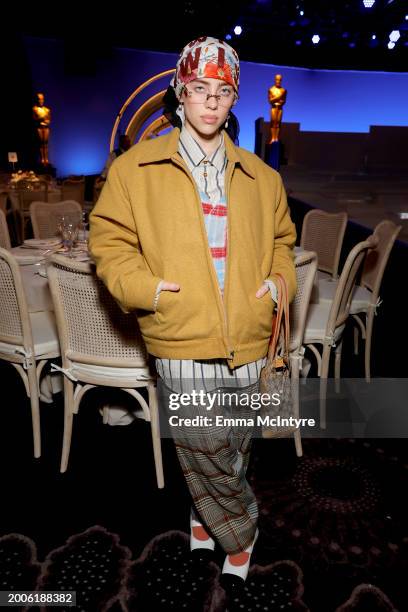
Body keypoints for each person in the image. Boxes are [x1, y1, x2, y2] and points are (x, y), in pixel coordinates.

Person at [89, 36, 296, 595]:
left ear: (232, 101)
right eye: (199, 89)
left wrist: (280, 283)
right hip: (179, 328)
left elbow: (283, 241)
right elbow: (108, 243)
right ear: (181, 95)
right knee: (200, 438)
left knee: (234, 439)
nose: (210, 102)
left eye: (222, 92)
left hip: (250, 330)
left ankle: (207, 516)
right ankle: (242, 531)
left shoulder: (262, 176)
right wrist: (147, 289)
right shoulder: (135, 168)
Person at [32, 92, 51, 165]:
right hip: (39, 128)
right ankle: (42, 159)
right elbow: (34, 119)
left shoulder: (47, 110)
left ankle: (46, 159)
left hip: (46, 127)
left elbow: (49, 119)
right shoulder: (35, 109)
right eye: (39, 99)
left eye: (42, 99)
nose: (40, 101)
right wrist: (40, 119)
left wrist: (46, 121)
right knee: (41, 143)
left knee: (45, 143)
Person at [268, 74, 287, 143]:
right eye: (277, 79)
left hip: (279, 108)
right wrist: (278, 98)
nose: (278, 81)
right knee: (273, 122)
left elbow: (283, 101)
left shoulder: (283, 90)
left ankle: (276, 138)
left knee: (278, 123)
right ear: (275, 80)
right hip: (273, 108)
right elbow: (270, 100)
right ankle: (273, 137)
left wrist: (278, 101)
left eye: (279, 80)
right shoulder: (271, 89)